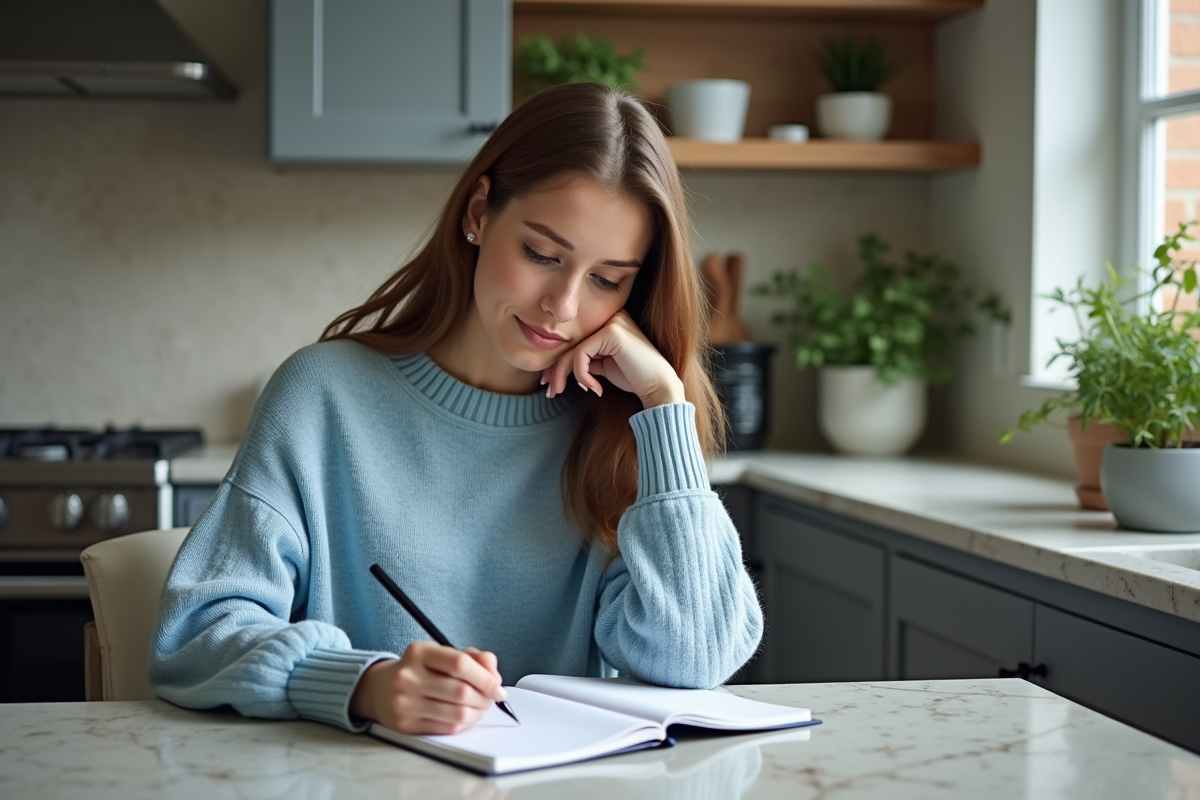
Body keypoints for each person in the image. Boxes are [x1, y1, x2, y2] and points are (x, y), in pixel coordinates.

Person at [150, 82, 764, 737]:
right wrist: (362, 685)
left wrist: (664, 404)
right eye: (541, 254)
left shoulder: (620, 432)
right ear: (478, 211)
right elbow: (194, 638)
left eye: (607, 279)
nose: (562, 303)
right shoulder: (322, 398)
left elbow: (696, 660)